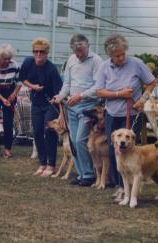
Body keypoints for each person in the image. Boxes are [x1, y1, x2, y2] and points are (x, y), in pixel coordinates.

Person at [95, 34, 156, 187]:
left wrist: (142, 100)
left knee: (130, 150)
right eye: (117, 56)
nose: (121, 58)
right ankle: (119, 185)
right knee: (113, 150)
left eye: (123, 54)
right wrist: (119, 94)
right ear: (110, 56)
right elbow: (99, 91)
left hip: (132, 113)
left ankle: (131, 185)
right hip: (112, 114)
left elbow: (151, 82)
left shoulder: (136, 63)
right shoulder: (104, 67)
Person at [53, 33, 103, 186]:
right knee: (74, 141)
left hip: (88, 106)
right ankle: (82, 175)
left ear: (87, 46)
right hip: (71, 106)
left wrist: (81, 95)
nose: (79, 54)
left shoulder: (96, 61)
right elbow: (67, 82)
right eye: (76, 51)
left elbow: (98, 86)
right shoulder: (71, 60)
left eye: (81, 50)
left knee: (81, 139)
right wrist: (61, 96)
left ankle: (89, 174)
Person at [19, 37, 63, 177]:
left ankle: (51, 165)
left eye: (41, 52)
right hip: (36, 102)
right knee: (37, 131)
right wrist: (33, 87)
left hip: (51, 103)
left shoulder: (51, 68)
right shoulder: (28, 62)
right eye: (35, 51)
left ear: (46, 53)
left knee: (49, 131)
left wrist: (61, 113)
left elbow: (59, 92)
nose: (38, 54)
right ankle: (42, 163)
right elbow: (22, 78)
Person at [0, 43, 21, 158]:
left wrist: (13, 94)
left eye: (9, 59)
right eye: (5, 59)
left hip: (9, 92)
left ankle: (7, 149)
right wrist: (2, 98)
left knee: (7, 122)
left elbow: (19, 83)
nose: (7, 61)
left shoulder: (15, 65)